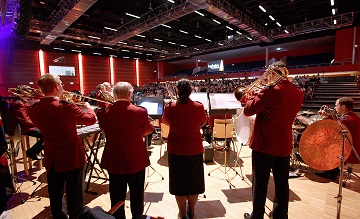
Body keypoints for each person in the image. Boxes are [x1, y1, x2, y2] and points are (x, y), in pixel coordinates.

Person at [28, 74, 96, 219]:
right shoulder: (66, 107)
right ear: (57, 86)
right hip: (72, 157)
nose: (63, 88)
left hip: (52, 158)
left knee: (56, 195)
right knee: (75, 195)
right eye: (62, 84)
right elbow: (91, 120)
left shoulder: (33, 109)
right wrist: (88, 108)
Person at [241, 61, 303, 219]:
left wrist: (252, 97)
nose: (267, 76)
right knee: (282, 183)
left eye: (269, 73)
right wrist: (258, 95)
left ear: (273, 73)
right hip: (283, 144)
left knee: (260, 184)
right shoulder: (298, 93)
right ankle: (280, 214)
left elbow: (248, 110)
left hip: (264, 144)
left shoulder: (269, 91)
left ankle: (257, 216)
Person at [97, 81, 154, 219]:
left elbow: (104, 128)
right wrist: (136, 134)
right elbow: (149, 129)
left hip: (114, 159)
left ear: (114, 94)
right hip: (136, 159)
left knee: (116, 195)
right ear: (129, 94)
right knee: (137, 194)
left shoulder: (103, 113)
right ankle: (137, 217)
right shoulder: (140, 111)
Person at [162, 78, 207, 219]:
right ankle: (191, 211)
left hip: (176, 151)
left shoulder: (170, 107)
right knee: (194, 182)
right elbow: (203, 122)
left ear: (177, 91)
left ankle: (182, 213)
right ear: (190, 91)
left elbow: (165, 122)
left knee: (179, 183)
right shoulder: (198, 107)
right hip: (194, 149)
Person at [316, 97, 360, 179]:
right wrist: (328, 116)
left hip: (350, 150)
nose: (335, 108)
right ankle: (335, 169)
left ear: (343, 107)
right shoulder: (352, 116)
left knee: (326, 144)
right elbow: (339, 124)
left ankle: (331, 172)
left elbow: (336, 133)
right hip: (354, 146)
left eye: (336, 106)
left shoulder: (345, 119)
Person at [8, 86, 43, 160]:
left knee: (47, 132)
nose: (30, 92)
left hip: (24, 126)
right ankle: (32, 152)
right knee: (46, 134)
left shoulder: (22, 102)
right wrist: (38, 124)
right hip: (19, 129)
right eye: (28, 91)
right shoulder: (19, 103)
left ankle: (37, 151)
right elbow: (24, 120)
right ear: (22, 92)